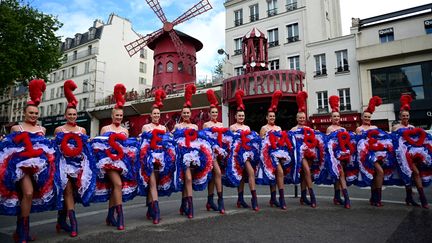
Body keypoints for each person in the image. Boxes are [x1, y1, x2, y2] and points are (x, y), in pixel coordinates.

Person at [0, 80, 56, 242]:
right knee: (28, 193)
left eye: (36, 113)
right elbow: (8, 150)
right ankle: (23, 232)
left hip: (39, 169)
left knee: (27, 196)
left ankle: (20, 230)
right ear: (24, 113)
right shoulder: (16, 128)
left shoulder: (42, 129)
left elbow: (46, 149)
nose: (33, 115)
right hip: (21, 167)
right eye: (31, 113)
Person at [92, 84, 137, 230]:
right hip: (109, 161)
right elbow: (101, 145)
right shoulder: (105, 129)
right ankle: (120, 216)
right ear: (112, 116)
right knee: (117, 185)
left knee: (115, 188)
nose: (118, 117)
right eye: (116, 115)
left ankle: (110, 216)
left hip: (122, 162)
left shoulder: (125, 131)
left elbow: (128, 148)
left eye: (120, 116)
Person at [54, 80, 95, 237]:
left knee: (75, 193)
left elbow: (86, 147)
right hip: (64, 164)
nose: (72, 116)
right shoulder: (59, 129)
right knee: (68, 191)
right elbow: (55, 148)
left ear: (77, 115)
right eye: (69, 114)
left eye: (74, 114)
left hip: (78, 165)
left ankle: (61, 219)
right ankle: (73, 223)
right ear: (65, 115)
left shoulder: (82, 129)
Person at [173, 84, 213, 218]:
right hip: (181, 157)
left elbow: (199, 140)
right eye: (184, 113)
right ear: (181, 113)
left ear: (191, 114)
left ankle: (183, 205)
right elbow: (171, 138)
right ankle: (189, 208)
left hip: (193, 157)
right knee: (188, 178)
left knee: (188, 180)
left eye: (187, 113)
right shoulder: (177, 126)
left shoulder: (195, 126)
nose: (185, 114)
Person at [138, 89, 176, 224]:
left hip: (162, 158)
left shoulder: (163, 128)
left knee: (155, 183)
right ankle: (156, 212)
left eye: (158, 114)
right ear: (150, 115)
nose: (156, 116)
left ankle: (150, 208)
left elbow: (168, 142)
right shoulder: (145, 127)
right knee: (152, 182)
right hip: (149, 158)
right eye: (154, 113)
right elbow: (142, 144)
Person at [392, 94, 429, 209]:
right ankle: (423, 200)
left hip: (413, 154)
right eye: (403, 116)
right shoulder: (396, 127)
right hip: (402, 155)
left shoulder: (412, 127)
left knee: (410, 174)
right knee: (414, 173)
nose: (405, 117)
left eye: (407, 116)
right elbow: (393, 141)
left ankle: (409, 197)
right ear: (400, 116)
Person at [290, 91, 324, 208]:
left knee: (305, 174)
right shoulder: (293, 129)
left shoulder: (309, 129)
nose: (302, 119)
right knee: (307, 171)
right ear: (296, 118)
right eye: (300, 118)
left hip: (309, 154)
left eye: (303, 118)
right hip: (299, 155)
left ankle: (303, 197)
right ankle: (312, 196)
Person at [356, 96, 391, 207]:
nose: (367, 118)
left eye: (368, 117)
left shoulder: (375, 127)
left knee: (375, 174)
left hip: (377, 154)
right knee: (379, 172)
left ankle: (374, 197)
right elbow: (359, 143)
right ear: (362, 118)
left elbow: (380, 139)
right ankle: (378, 198)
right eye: (365, 117)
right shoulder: (359, 129)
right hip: (367, 155)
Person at [228, 90, 260, 211]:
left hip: (247, 154)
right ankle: (242, 199)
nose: (241, 117)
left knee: (250, 173)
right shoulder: (232, 127)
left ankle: (251, 198)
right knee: (242, 175)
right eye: (239, 115)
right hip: (237, 154)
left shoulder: (247, 127)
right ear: (235, 116)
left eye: (242, 115)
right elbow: (231, 141)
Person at [259, 90, 288, 210]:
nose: (272, 118)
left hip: (278, 153)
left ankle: (274, 198)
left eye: (273, 116)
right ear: (266, 117)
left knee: (277, 175)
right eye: (270, 116)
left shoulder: (278, 128)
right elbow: (261, 143)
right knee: (278, 173)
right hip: (268, 155)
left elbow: (282, 141)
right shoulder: (263, 128)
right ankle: (280, 199)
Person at [202, 89, 230, 214]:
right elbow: (204, 141)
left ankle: (210, 201)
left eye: (216, 112)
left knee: (214, 177)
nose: (214, 114)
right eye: (212, 112)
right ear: (209, 113)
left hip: (220, 154)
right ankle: (220, 201)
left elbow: (225, 139)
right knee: (217, 173)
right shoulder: (206, 125)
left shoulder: (221, 124)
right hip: (210, 153)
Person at [325, 95, 353, 209]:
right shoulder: (329, 129)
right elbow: (327, 144)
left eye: (338, 116)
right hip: (334, 157)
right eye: (334, 116)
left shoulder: (344, 130)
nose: (336, 118)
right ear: (331, 118)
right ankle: (347, 199)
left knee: (339, 176)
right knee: (340, 174)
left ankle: (337, 197)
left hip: (343, 156)